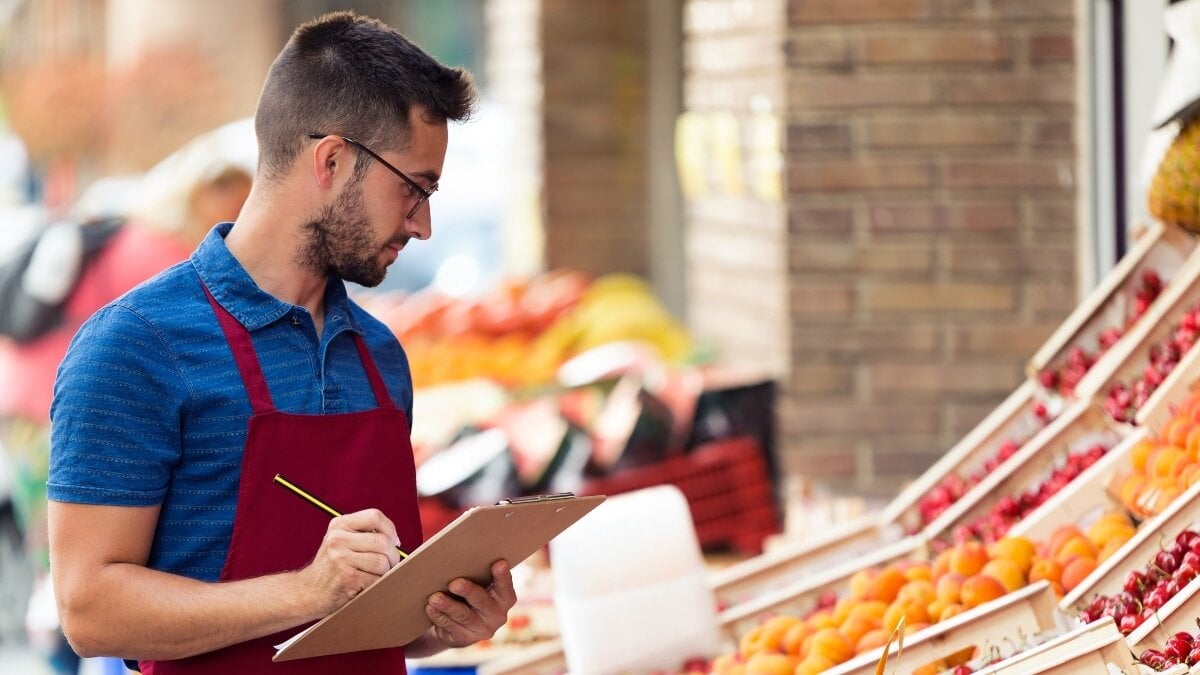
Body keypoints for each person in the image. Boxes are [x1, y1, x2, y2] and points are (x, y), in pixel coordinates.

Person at [46, 11, 515, 674]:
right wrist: (306, 592)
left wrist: (446, 619)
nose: (424, 225)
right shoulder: (135, 346)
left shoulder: (380, 357)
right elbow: (89, 610)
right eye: (414, 188)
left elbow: (379, 610)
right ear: (332, 160)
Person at [0, 121, 253, 674]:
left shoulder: (130, 236)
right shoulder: (163, 255)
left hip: (24, 403)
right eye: (235, 201)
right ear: (204, 199)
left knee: (55, 561)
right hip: (57, 408)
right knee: (78, 573)